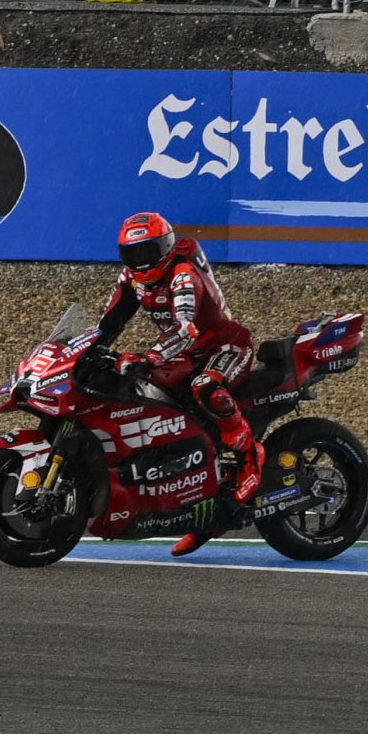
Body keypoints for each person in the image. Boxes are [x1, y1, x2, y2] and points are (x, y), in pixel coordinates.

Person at [98, 210, 262, 548]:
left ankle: (250, 457)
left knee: (207, 387)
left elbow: (186, 329)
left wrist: (150, 356)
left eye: (148, 251)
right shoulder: (130, 279)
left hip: (226, 345)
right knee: (151, 395)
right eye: (133, 254)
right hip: (188, 355)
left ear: (166, 247)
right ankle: (198, 495)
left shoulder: (182, 275)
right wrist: (87, 352)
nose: (141, 262)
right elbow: (109, 322)